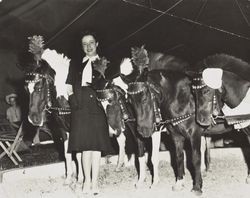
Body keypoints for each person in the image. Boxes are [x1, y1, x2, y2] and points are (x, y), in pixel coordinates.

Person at [66, 30, 112, 195]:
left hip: (98, 107)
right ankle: (86, 181)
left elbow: (110, 86)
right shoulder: (75, 64)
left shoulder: (104, 63)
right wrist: (74, 102)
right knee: (85, 147)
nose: (88, 46)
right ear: (82, 47)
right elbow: (69, 86)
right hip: (80, 106)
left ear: (97, 44)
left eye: (91, 43)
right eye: (84, 44)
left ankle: (95, 183)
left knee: (96, 147)